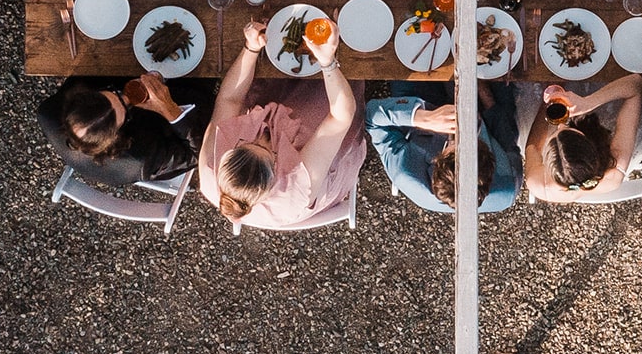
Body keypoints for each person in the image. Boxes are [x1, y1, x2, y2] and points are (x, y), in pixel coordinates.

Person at [198, 20, 365, 229]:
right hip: (315, 159)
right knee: (332, 90)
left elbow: (229, 100)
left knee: (267, 78)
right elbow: (340, 117)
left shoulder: (211, 163)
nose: (262, 136)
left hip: (272, 134)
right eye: (267, 148)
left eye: (246, 141)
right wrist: (327, 62)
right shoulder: (296, 183)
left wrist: (251, 48)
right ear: (276, 168)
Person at [364, 81, 522, 213]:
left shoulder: (405, 171)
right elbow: (505, 130)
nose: (460, 130)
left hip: (421, 104)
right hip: (480, 107)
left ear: (436, 161)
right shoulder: (508, 183)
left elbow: (371, 117)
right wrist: (479, 85)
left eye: (453, 141)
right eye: (469, 139)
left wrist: (423, 118)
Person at [38, 74, 214, 188]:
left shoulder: (48, 112)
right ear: (117, 137)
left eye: (113, 93)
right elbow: (200, 153)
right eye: (124, 107)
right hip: (170, 121)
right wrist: (169, 109)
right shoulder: (139, 160)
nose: (127, 97)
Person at [522, 73, 642, 202]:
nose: (561, 125)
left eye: (555, 133)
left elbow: (533, 147)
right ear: (586, 140)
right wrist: (589, 102)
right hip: (603, 123)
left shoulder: (538, 183)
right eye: (568, 130)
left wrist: (549, 107)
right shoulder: (614, 169)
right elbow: (635, 84)